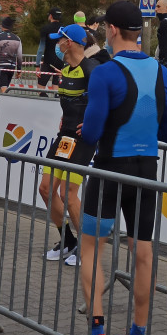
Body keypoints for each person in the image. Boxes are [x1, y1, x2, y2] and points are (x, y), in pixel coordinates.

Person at [78, 1, 167, 335]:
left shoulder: (105, 73)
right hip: (146, 170)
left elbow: (90, 131)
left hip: (108, 168)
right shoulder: (162, 72)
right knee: (144, 251)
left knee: (92, 247)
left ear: (112, 30)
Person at [38, 24, 102, 267]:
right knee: (46, 189)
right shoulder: (65, 69)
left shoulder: (91, 69)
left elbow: (104, 102)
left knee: (68, 194)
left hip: (84, 138)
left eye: (60, 40)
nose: (57, 44)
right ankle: (68, 241)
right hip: (64, 136)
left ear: (72, 42)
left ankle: (88, 248)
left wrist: (91, 124)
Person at [0, 16, 23, 94]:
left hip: (1, 66)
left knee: (3, 88)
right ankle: (0, 103)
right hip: (12, 66)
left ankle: (4, 103)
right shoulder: (17, 38)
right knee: (3, 86)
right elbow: (19, 56)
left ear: (2, 26)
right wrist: (19, 70)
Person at [36, 7, 64, 94]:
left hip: (48, 62)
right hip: (60, 61)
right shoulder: (64, 29)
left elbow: (41, 48)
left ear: (51, 16)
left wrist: (37, 65)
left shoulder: (45, 28)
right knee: (56, 89)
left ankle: (43, 104)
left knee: (40, 88)